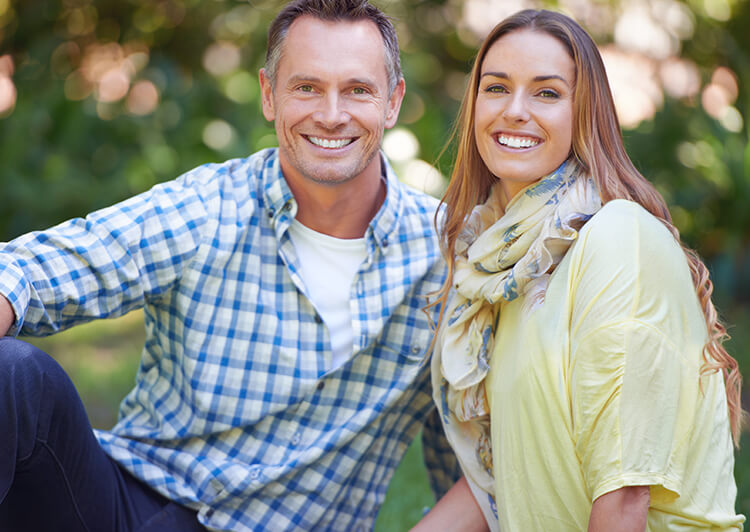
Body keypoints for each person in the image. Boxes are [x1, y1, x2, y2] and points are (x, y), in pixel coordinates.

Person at [0, 1, 460, 530]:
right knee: (13, 374)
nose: (331, 114)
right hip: (131, 507)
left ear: (393, 101)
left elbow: (479, 452)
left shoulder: (446, 259)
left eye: (357, 90)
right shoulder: (210, 208)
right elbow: (38, 267)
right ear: (269, 94)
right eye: (307, 87)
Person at [415, 9, 745, 532]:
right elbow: (502, 475)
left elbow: (625, 493)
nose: (515, 111)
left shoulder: (616, 240)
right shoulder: (499, 262)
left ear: (584, 112)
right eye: (496, 87)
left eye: (546, 93)